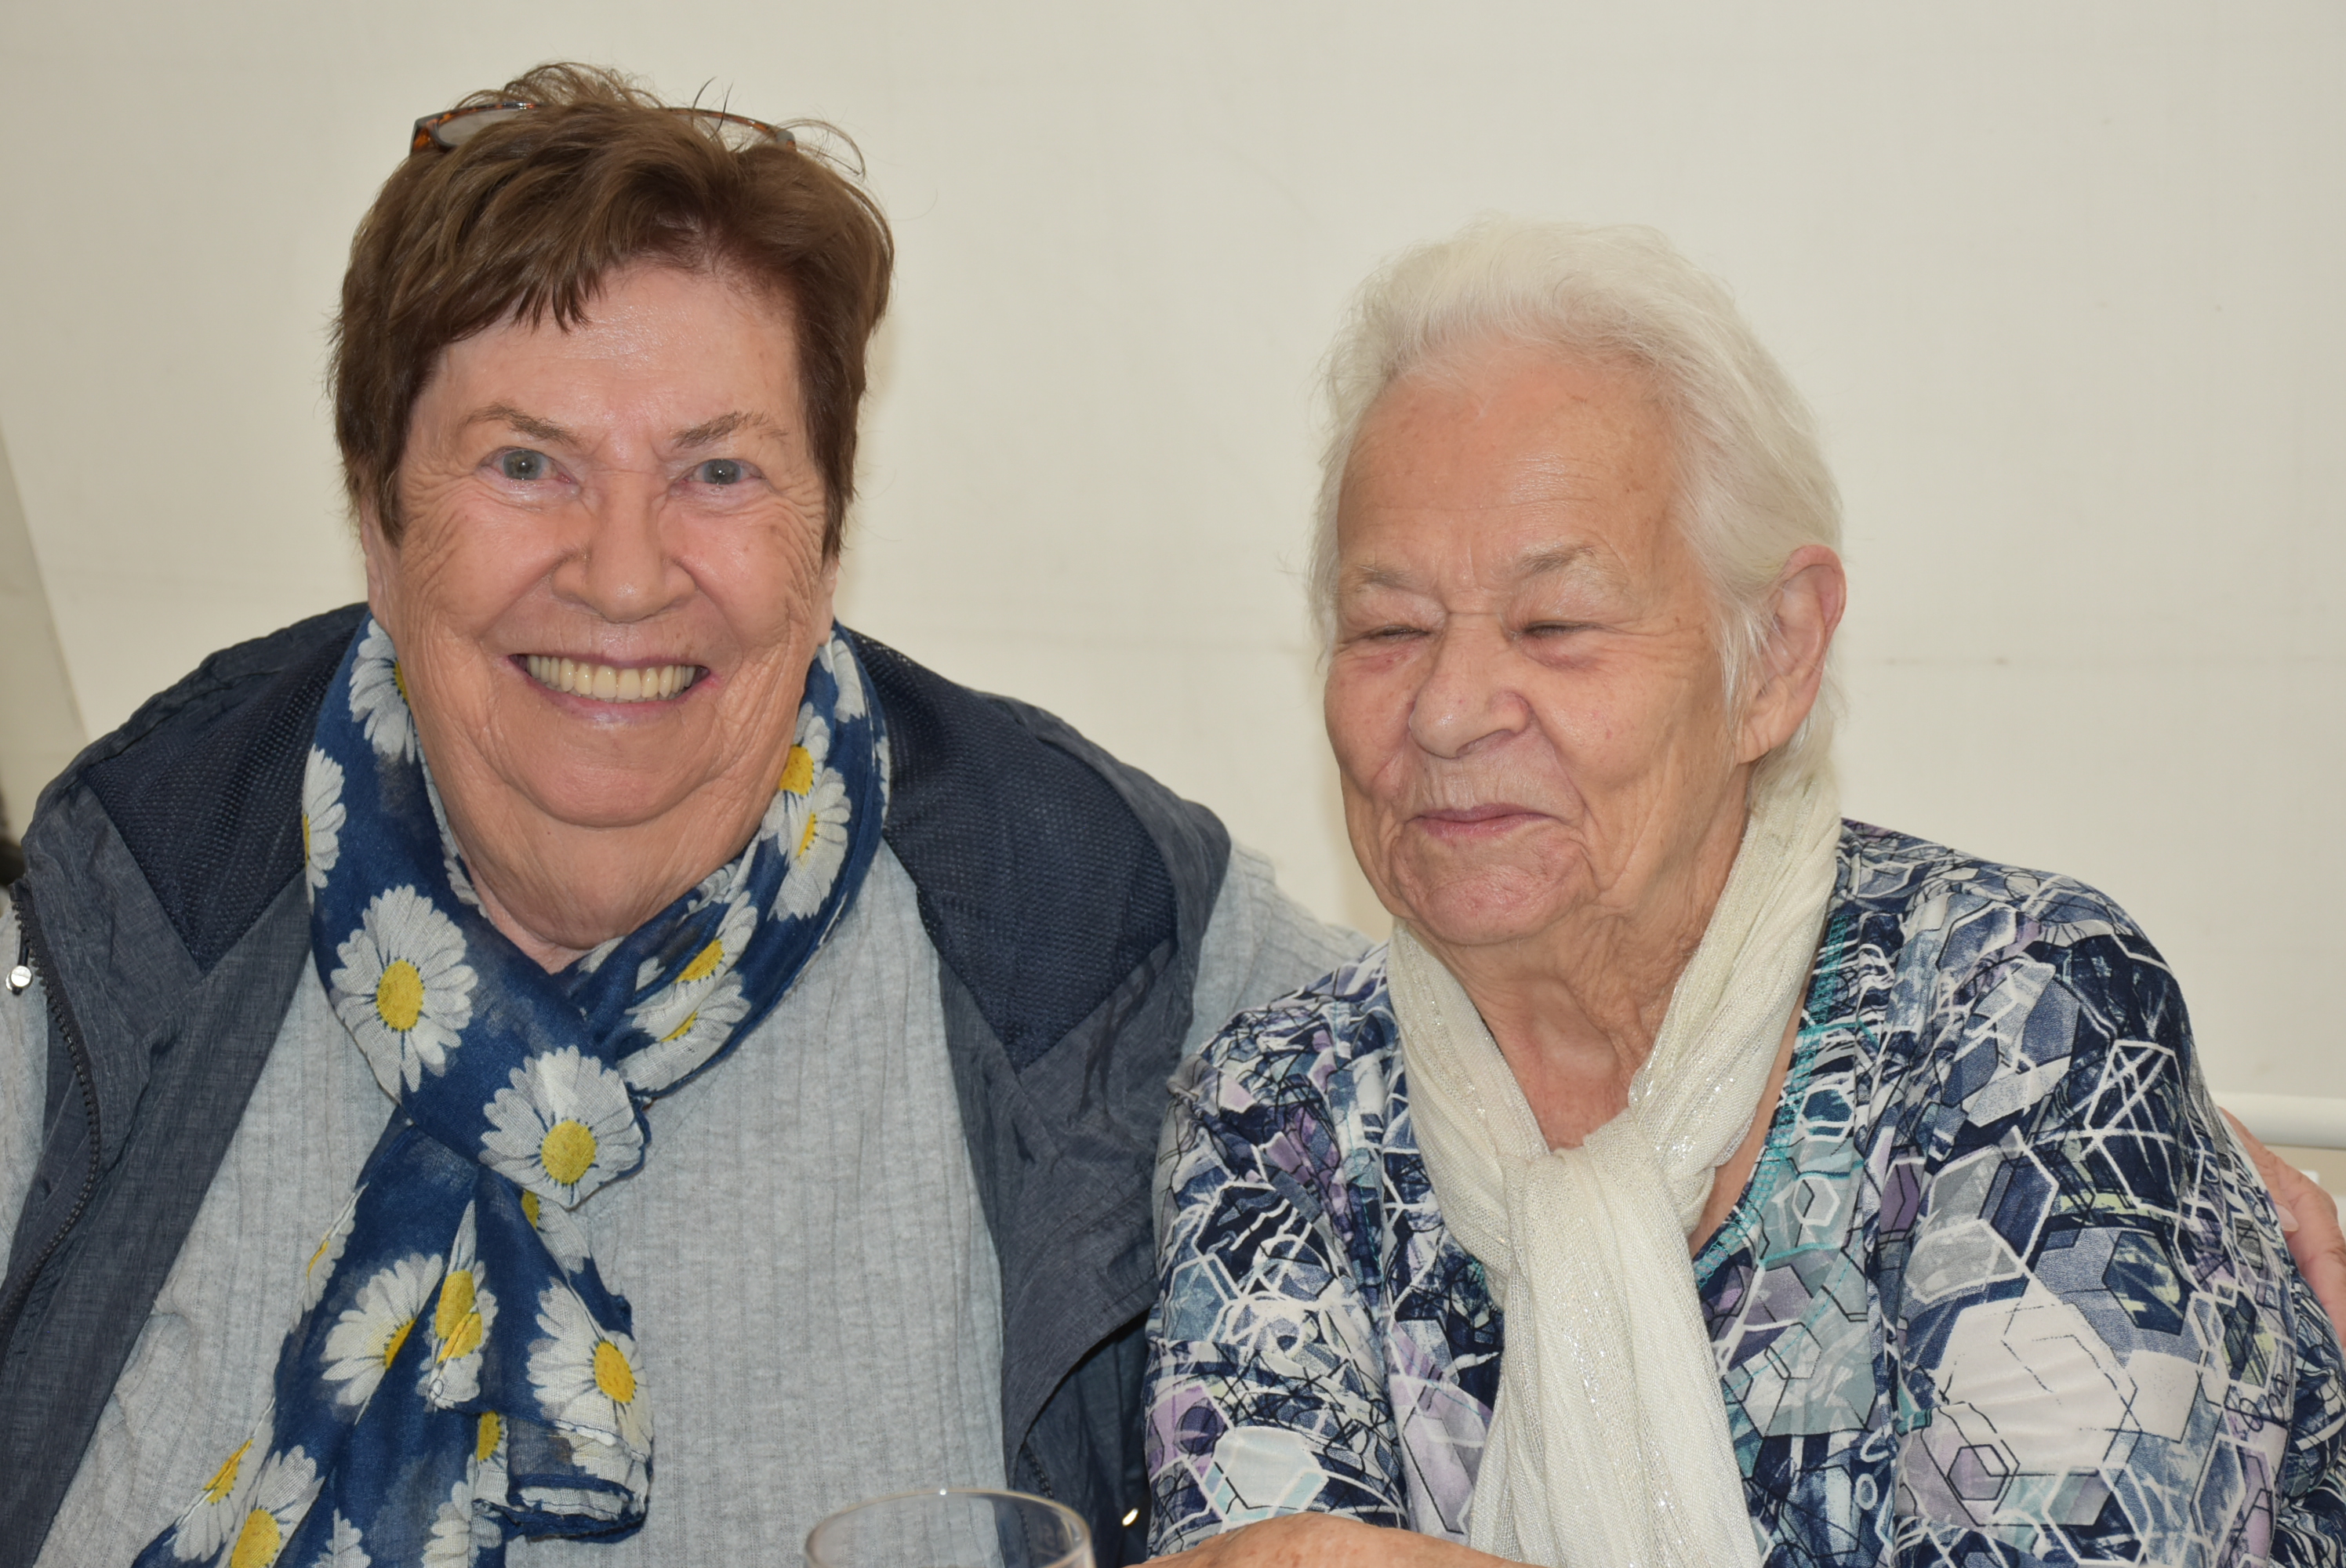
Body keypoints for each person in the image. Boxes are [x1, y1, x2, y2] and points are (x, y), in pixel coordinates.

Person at [0, 65, 1360, 1568]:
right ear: (379, 524)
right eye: (527, 464)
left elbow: (1511, 1115)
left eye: (718, 472)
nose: (626, 574)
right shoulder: (130, 902)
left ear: (826, 547)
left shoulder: (1094, 930)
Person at [1144, 220, 2346, 1567]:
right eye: (1389, 629)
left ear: (1773, 656)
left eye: (1555, 625)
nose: (1449, 707)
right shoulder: (1280, 1116)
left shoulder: (2021, 1026)